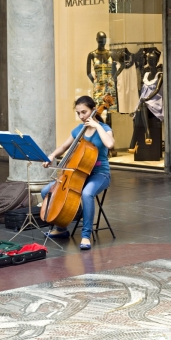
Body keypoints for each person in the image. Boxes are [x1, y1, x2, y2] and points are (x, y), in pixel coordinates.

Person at [41, 95, 114, 251]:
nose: (82, 116)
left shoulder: (105, 129)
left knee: (87, 194)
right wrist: (51, 156)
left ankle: (86, 235)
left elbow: (110, 144)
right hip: (78, 174)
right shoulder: (78, 131)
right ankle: (61, 228)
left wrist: (98, 125)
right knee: (46, 191)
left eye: (84, 112)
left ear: (93, 110)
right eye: (79, 113)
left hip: (100, 174)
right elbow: (63, 147)